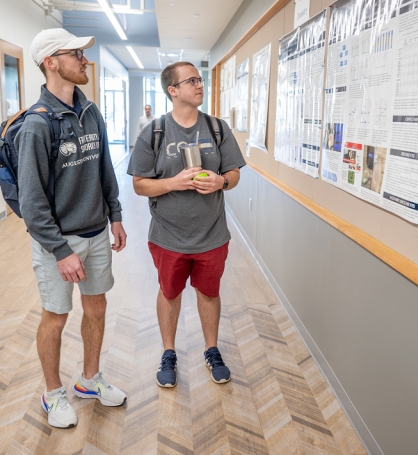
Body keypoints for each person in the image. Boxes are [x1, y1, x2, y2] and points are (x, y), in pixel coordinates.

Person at [16, 28, 128, 429]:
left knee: (96, 308)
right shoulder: (36, 125)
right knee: (56, 318)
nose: (85, 60)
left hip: (97, 232)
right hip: (58, 242)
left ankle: (89, 380)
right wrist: (60, 251)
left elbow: (105, 169)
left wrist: (115, 215)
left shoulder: (90, 111)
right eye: (76, 54)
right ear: (51, 63)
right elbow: (31, 203)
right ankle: (53, 392)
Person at [127, 61, 246, 388]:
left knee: (209, 293)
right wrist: (173, 183)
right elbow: (139, 184)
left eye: (200, 79)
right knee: (170, 293)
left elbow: (234, 173)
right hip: (168, 236)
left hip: (212, 234)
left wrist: (221, 182)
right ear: (173, 90)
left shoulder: (217, 128)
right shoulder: (154, 132)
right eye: (191, 80)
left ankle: (212, 349)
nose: (200, 85)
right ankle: (169, 352)